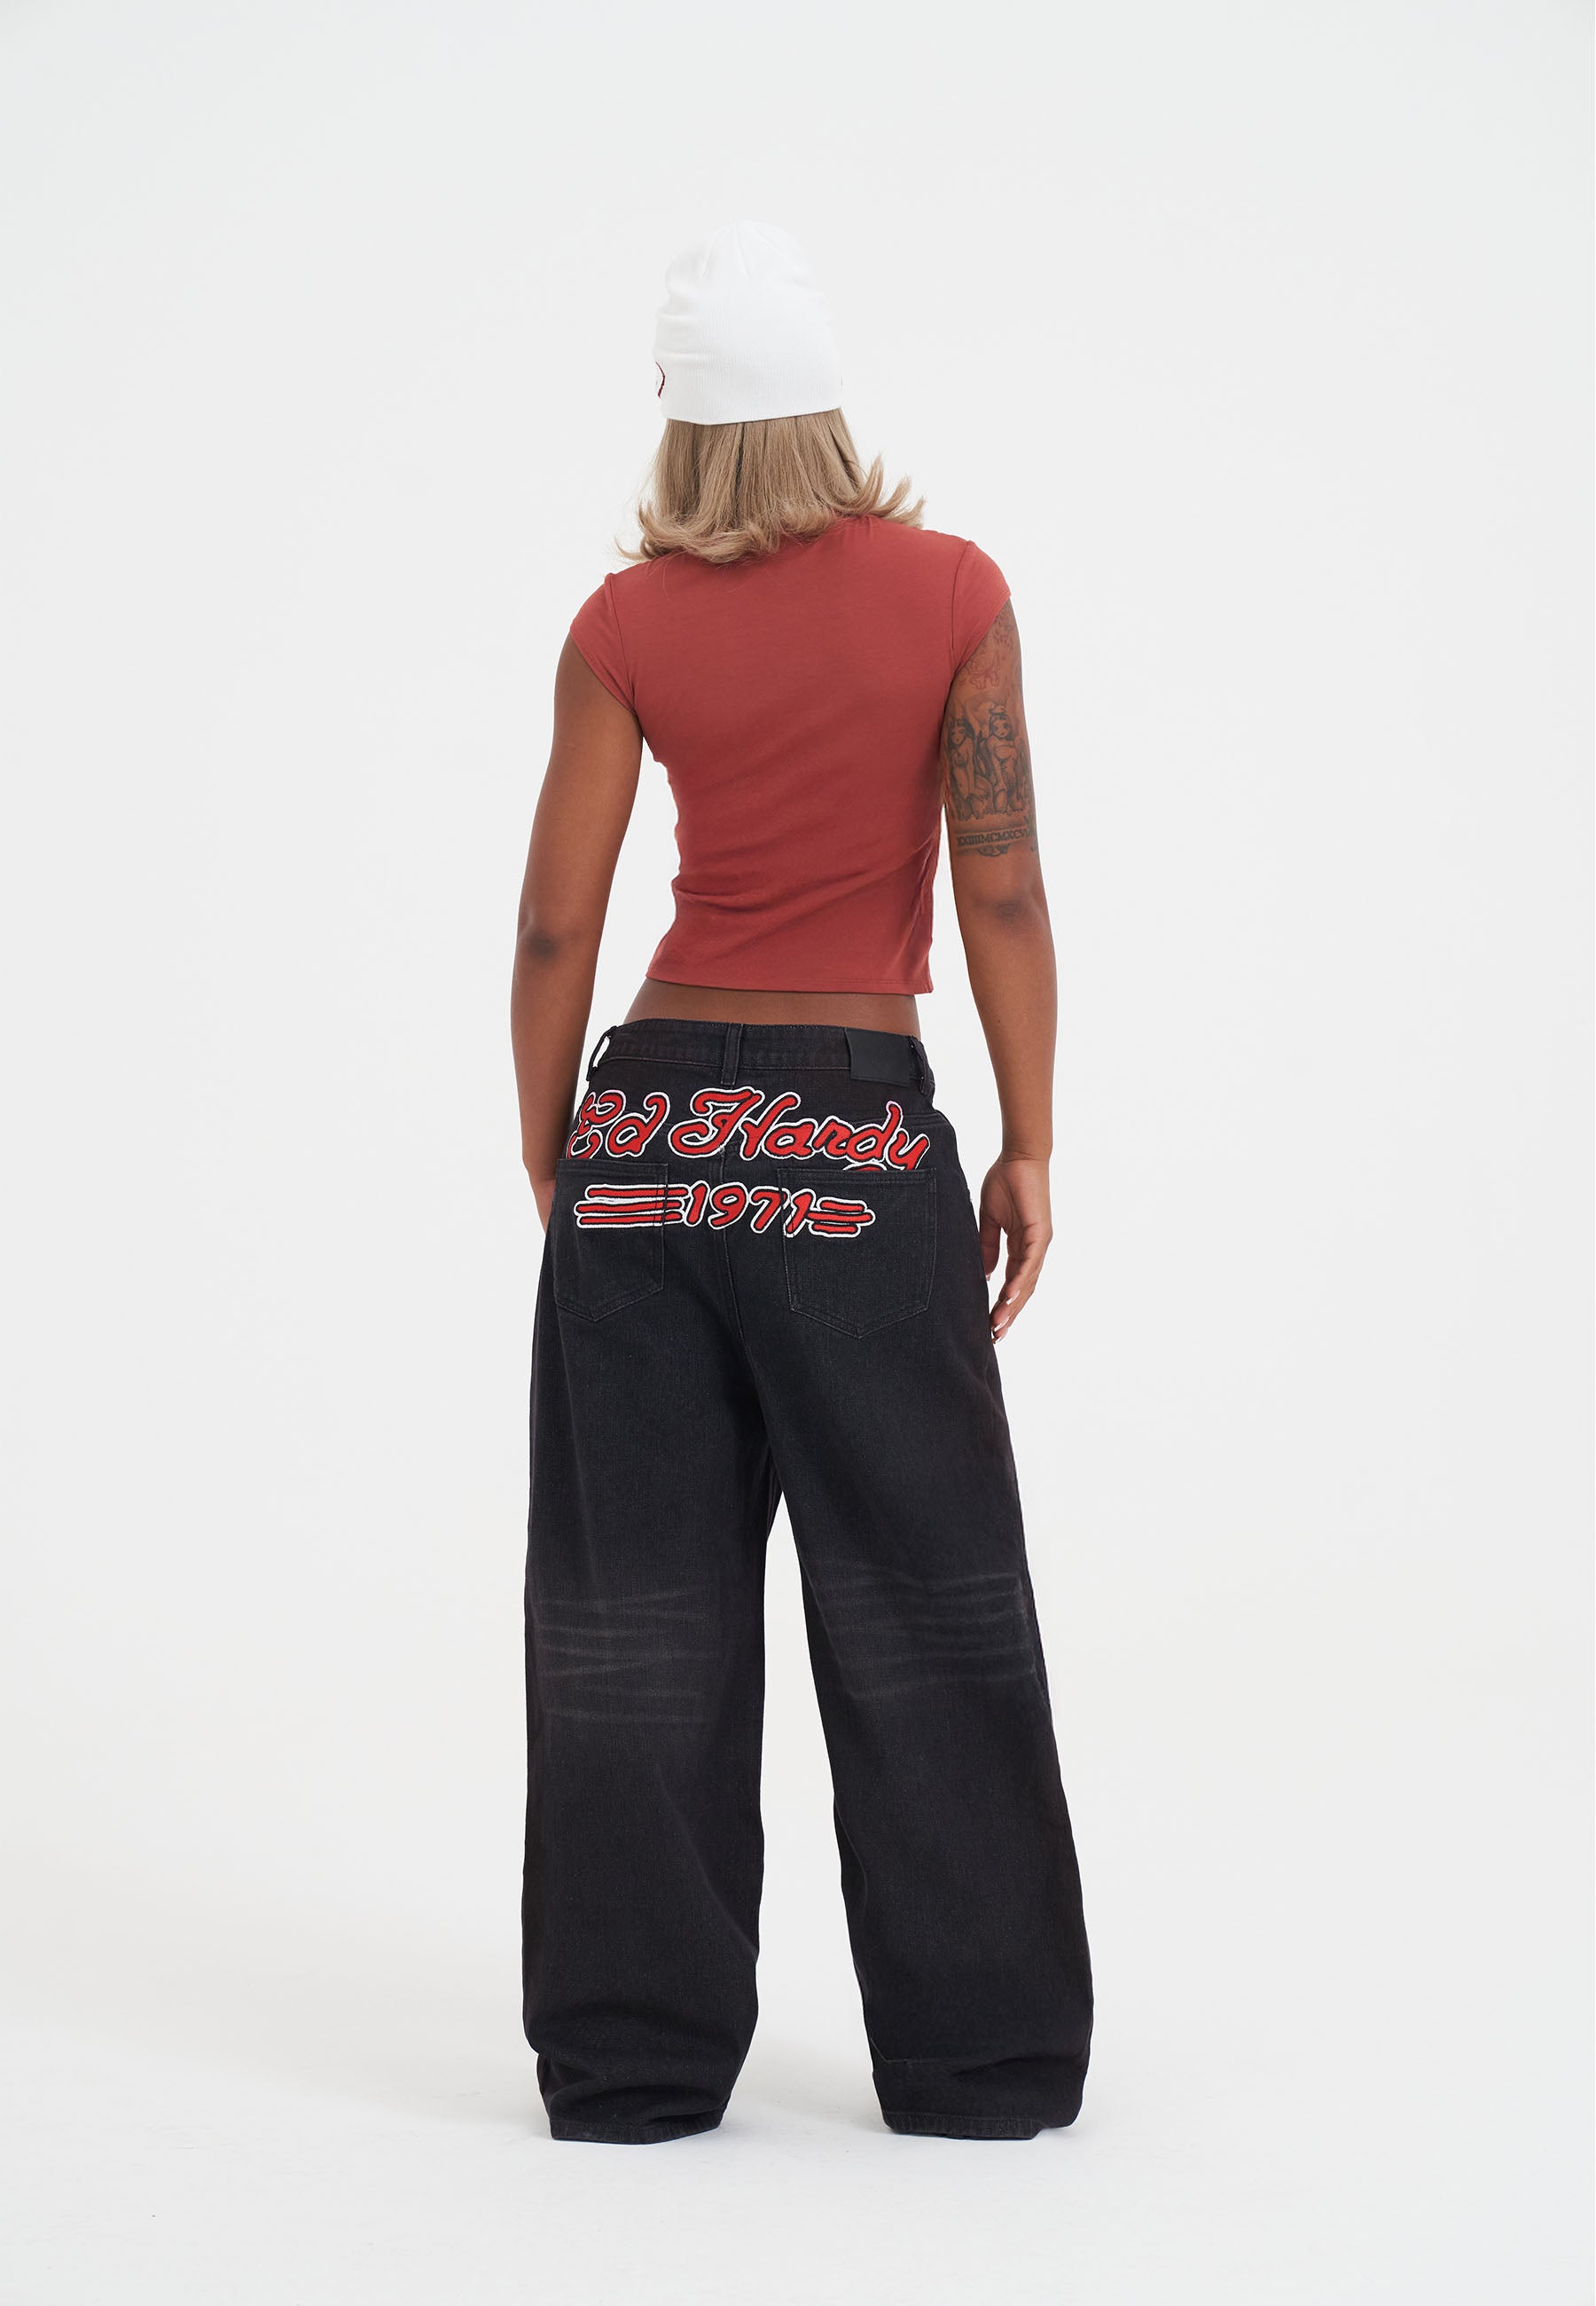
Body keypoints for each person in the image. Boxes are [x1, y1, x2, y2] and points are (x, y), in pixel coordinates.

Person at [511, 220, 1092, 2146]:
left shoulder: (624, 624)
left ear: (680, 423)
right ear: (830, 408)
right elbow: (1002, 888)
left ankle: (630, 2065)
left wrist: (557, 1143)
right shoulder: (954, 593)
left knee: (634, 1615)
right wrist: (1027, 1136)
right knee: (925, 1593)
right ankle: (982, 2066)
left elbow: (556, 924)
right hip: (854, 1132)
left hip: (649, 1141)